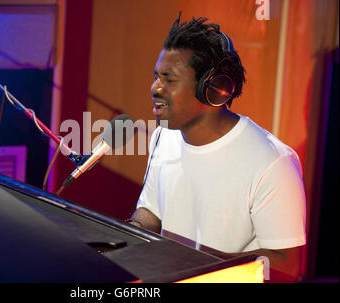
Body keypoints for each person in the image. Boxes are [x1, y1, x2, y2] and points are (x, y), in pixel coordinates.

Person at [128, 13, 306, 282]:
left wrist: (195, 270)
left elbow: (285, 264)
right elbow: (151, 211)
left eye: (169, 79)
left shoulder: (272, 161)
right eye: (156, 76)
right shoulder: (164, 137)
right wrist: (127, 237)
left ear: (214, 89)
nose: (155, 87)